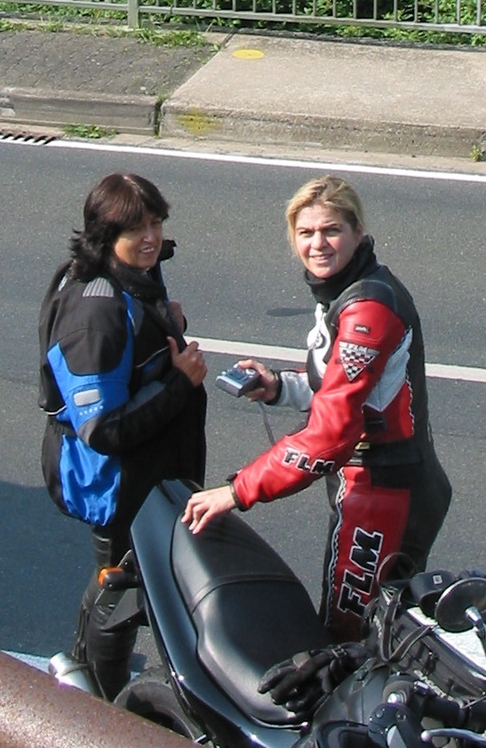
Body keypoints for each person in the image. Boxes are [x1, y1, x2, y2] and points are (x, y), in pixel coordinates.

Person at [182, 174, 450, 636]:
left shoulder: (368, 308)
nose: (318, 244)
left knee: (350, 636)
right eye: (306, 233)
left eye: (331, 230)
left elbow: (331, 435)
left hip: (384, 494)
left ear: (358, 233)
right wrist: (278, 387)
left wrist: (237, 491)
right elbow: (346, 390)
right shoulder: (343, 290)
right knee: (372, 631)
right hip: (376, 487)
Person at [40, 171, 208, 696]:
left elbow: (133, 358)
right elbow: (103, 429)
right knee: (122, 587)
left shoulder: (130, 275)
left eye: (156, 223)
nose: (151, 237)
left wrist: (165, 323)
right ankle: (98, 703)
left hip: (148, 469)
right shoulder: (95, 314)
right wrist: (180, 384)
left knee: (124, 581)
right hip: (115, 479)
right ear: (105, 234)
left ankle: (85, 684)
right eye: (137, 229)